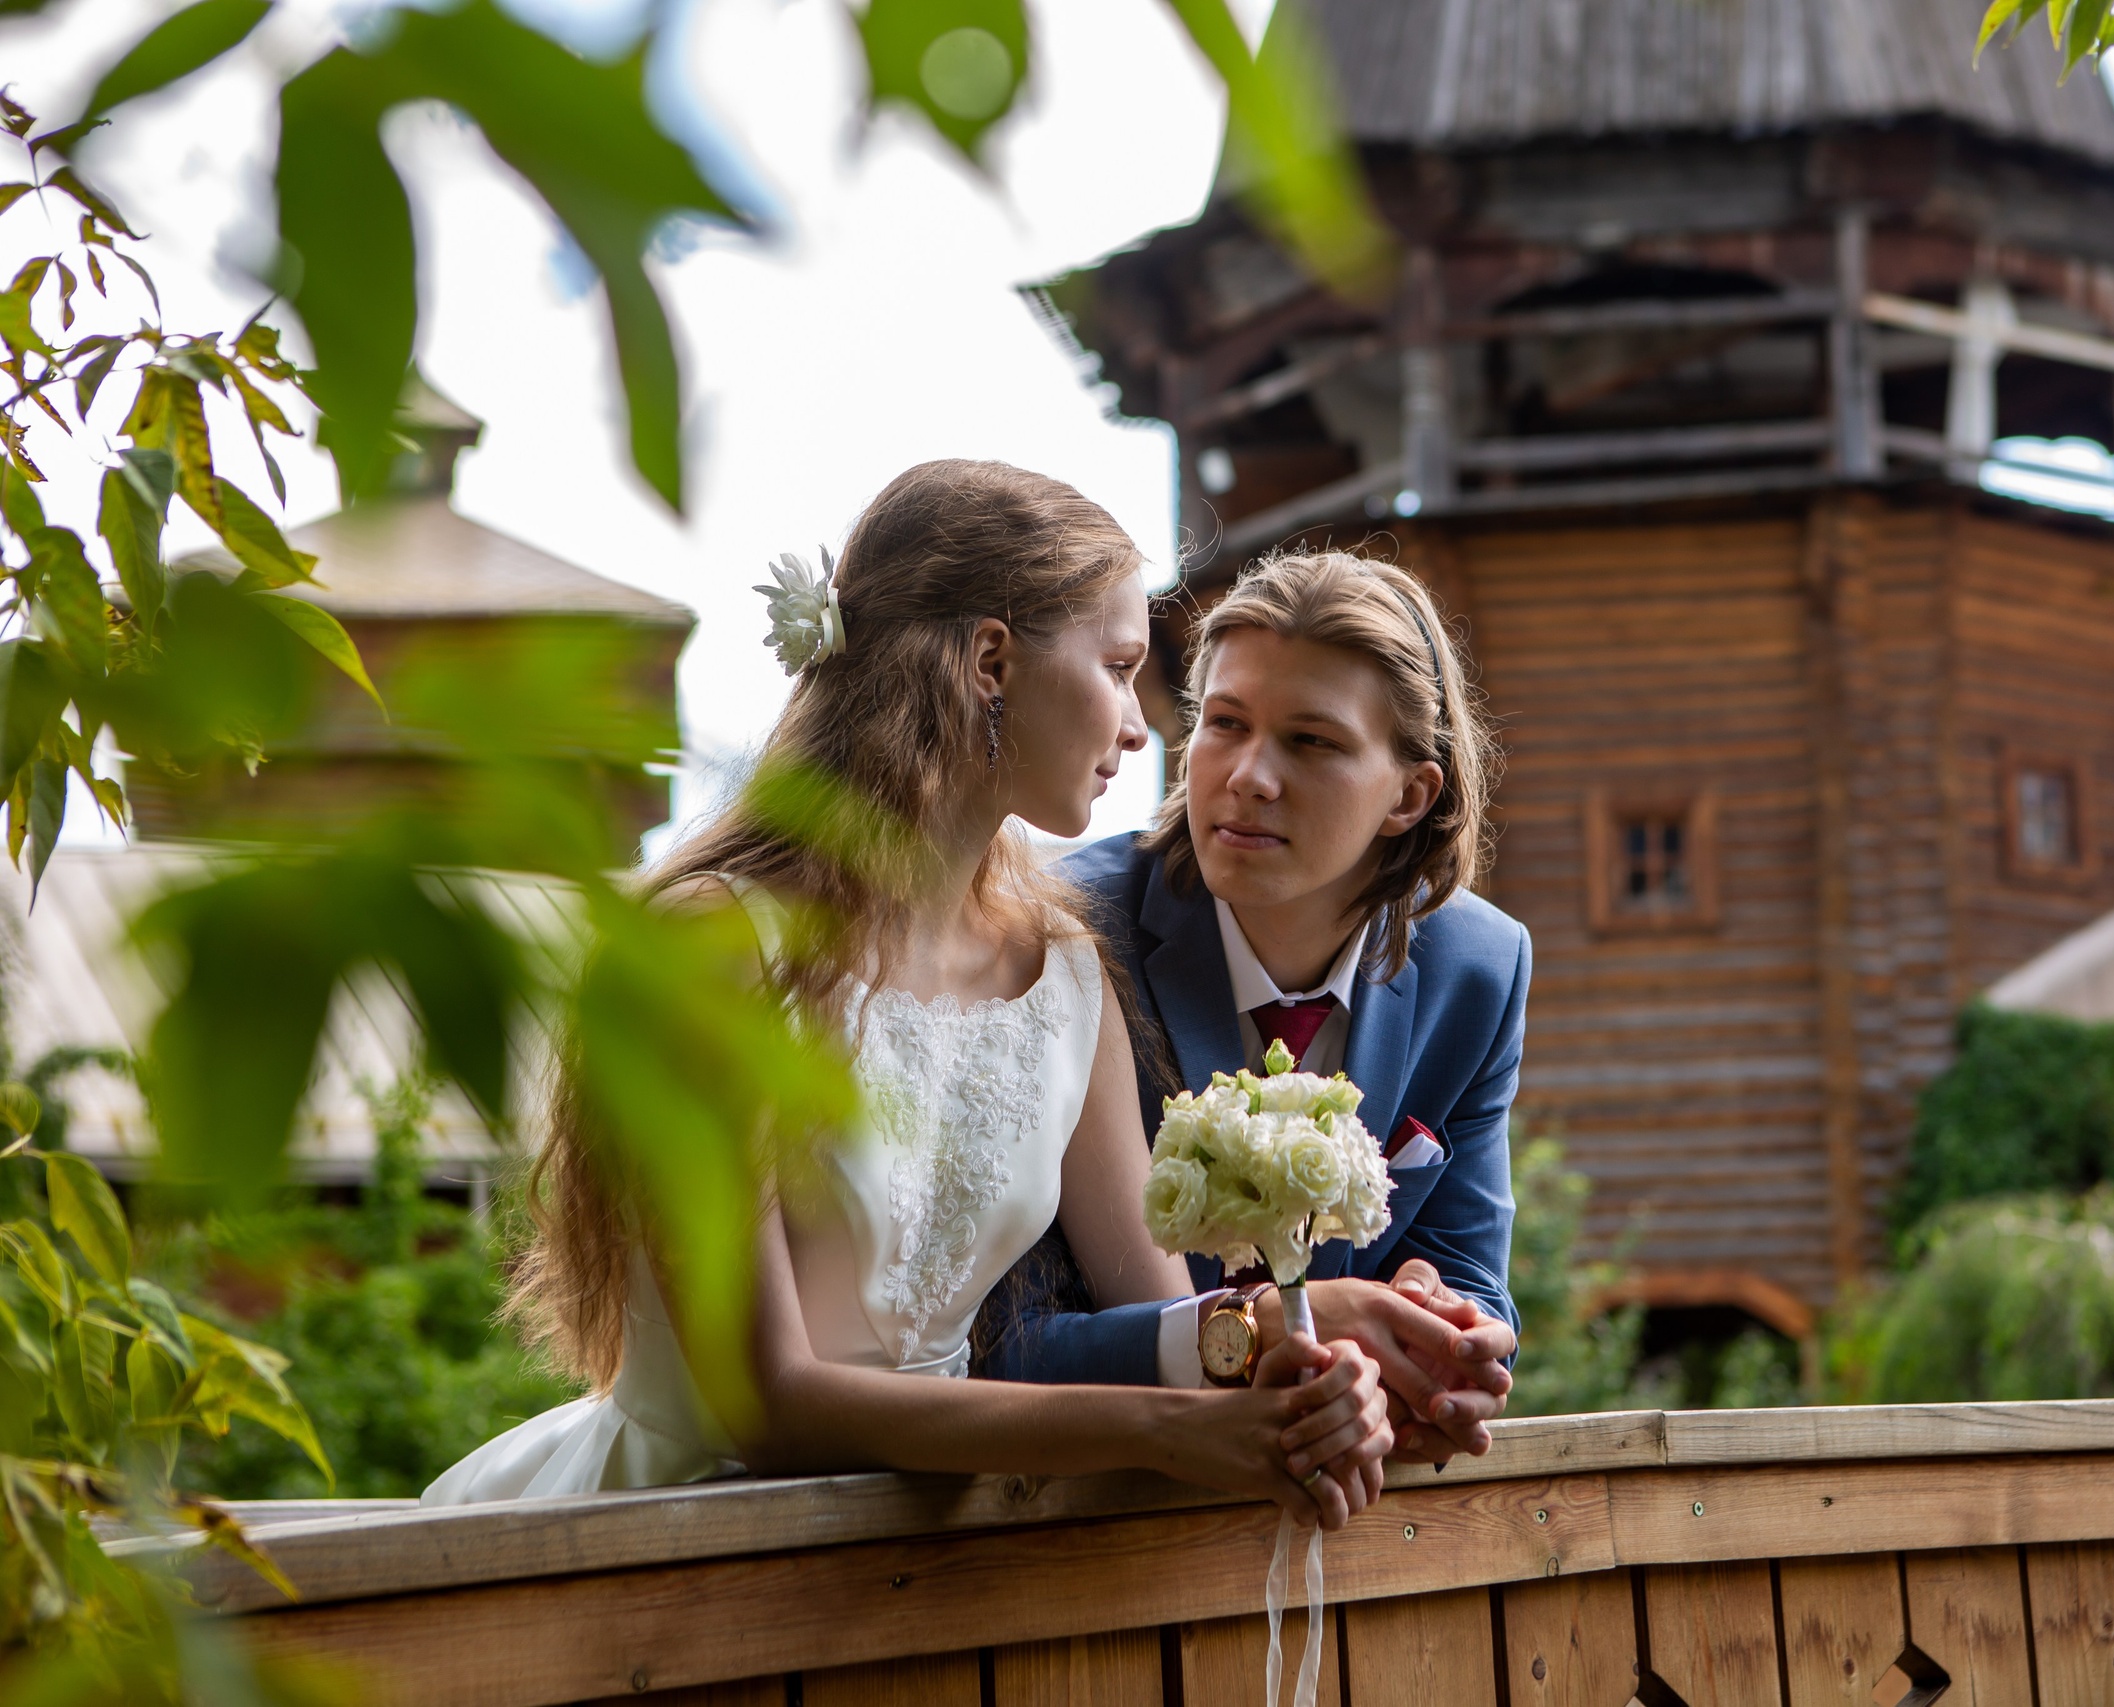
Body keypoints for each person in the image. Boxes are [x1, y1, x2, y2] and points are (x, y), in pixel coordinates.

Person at [424, 463, 1392, 1525]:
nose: (1138, 725)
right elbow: (764, 1403)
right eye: (1117, 667)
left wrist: (1289, 1364)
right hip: (670, 1542)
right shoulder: (716, 949)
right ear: (991, 661)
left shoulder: (1065, 971)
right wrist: (1172, 1434)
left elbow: (1162, 1320)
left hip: (936, 1556)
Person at [979, 551, 1527, 1464]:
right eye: (1225, 723)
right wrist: (1261, 1331)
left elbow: (1478, 1274)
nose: (1248, 775)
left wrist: (1435, 1320)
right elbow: (1004, 1339)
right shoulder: (1060, 936)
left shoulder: (1480, 965)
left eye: (1312, 741)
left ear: (1410, 794)